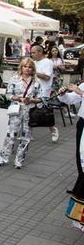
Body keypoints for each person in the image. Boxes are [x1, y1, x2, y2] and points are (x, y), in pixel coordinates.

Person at [0, 58, 41, 168]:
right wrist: (19, 98)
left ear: (33, 69)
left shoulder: (36, 82)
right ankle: (3, 157)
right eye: (25, 66)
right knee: (11, 134)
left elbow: (40, 98)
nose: (27, 69)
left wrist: (30, 100)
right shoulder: (14, 79)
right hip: (16, 110)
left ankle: (19, 160)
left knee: (26, 136)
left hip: (29, 111)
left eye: (30, 67)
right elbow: (8, 95)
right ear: (21, 67)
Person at [56, 82, 84, 232]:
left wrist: (80, 92)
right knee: (81, 162)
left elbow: (79, 93)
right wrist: (63, 95)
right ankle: (79, 214)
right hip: (83, 124)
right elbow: (71, 99)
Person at [29, 43, 59, 143]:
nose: (32, 55)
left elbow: (47, 77)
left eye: (34, 53)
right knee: (29, 112)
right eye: (31, 53)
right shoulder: (34, 62)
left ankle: (53, 129)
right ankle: (29, 133)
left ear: (40, 52)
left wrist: (34, 73)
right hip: (33, 90)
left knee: (44, 113)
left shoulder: (47, 62)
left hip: (43, 91)